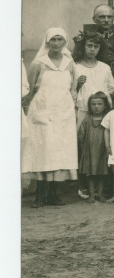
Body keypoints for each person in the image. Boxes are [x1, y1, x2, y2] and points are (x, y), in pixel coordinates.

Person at [22, 28, 78, 207]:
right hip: (42, 112)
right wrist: (32, 110)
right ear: (47, 41)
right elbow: (30, 88)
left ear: (65, 42)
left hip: (63, 113)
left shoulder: (69, 63)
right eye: (53, 40)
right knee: (42, 151)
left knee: (59, 152)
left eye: (60, 39)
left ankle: (54, 193)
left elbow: (73, 89)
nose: (56, 43)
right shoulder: (39, 63)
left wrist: (70, 108)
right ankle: (39, 195)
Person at [71, 31, 114, 129]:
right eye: (89, 45)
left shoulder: (105, 67)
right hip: (83, 111)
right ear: (83, 46)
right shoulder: (75, 66)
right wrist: (78, 85)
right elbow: (71, 92)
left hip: (102, 112)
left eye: (96, 46)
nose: (92, 49)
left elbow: (111, 89)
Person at [79, 4, 114, 83]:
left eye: (109, 17)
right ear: (94, 19)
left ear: (113, 19)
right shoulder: (87, 39)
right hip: (96, 78)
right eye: (102, 17)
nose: (106, 20)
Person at [77, 92, 110, 203]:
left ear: (105, 105)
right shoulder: (87, 119)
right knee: (90, 174)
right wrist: (84, 150)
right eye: (93, 104)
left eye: (99, 104)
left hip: (102, 150)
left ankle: (99, 194)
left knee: (102, 172)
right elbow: (80, 135)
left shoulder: (107, 118)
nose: (96, 107)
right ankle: (91, 194)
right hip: (89, 152)